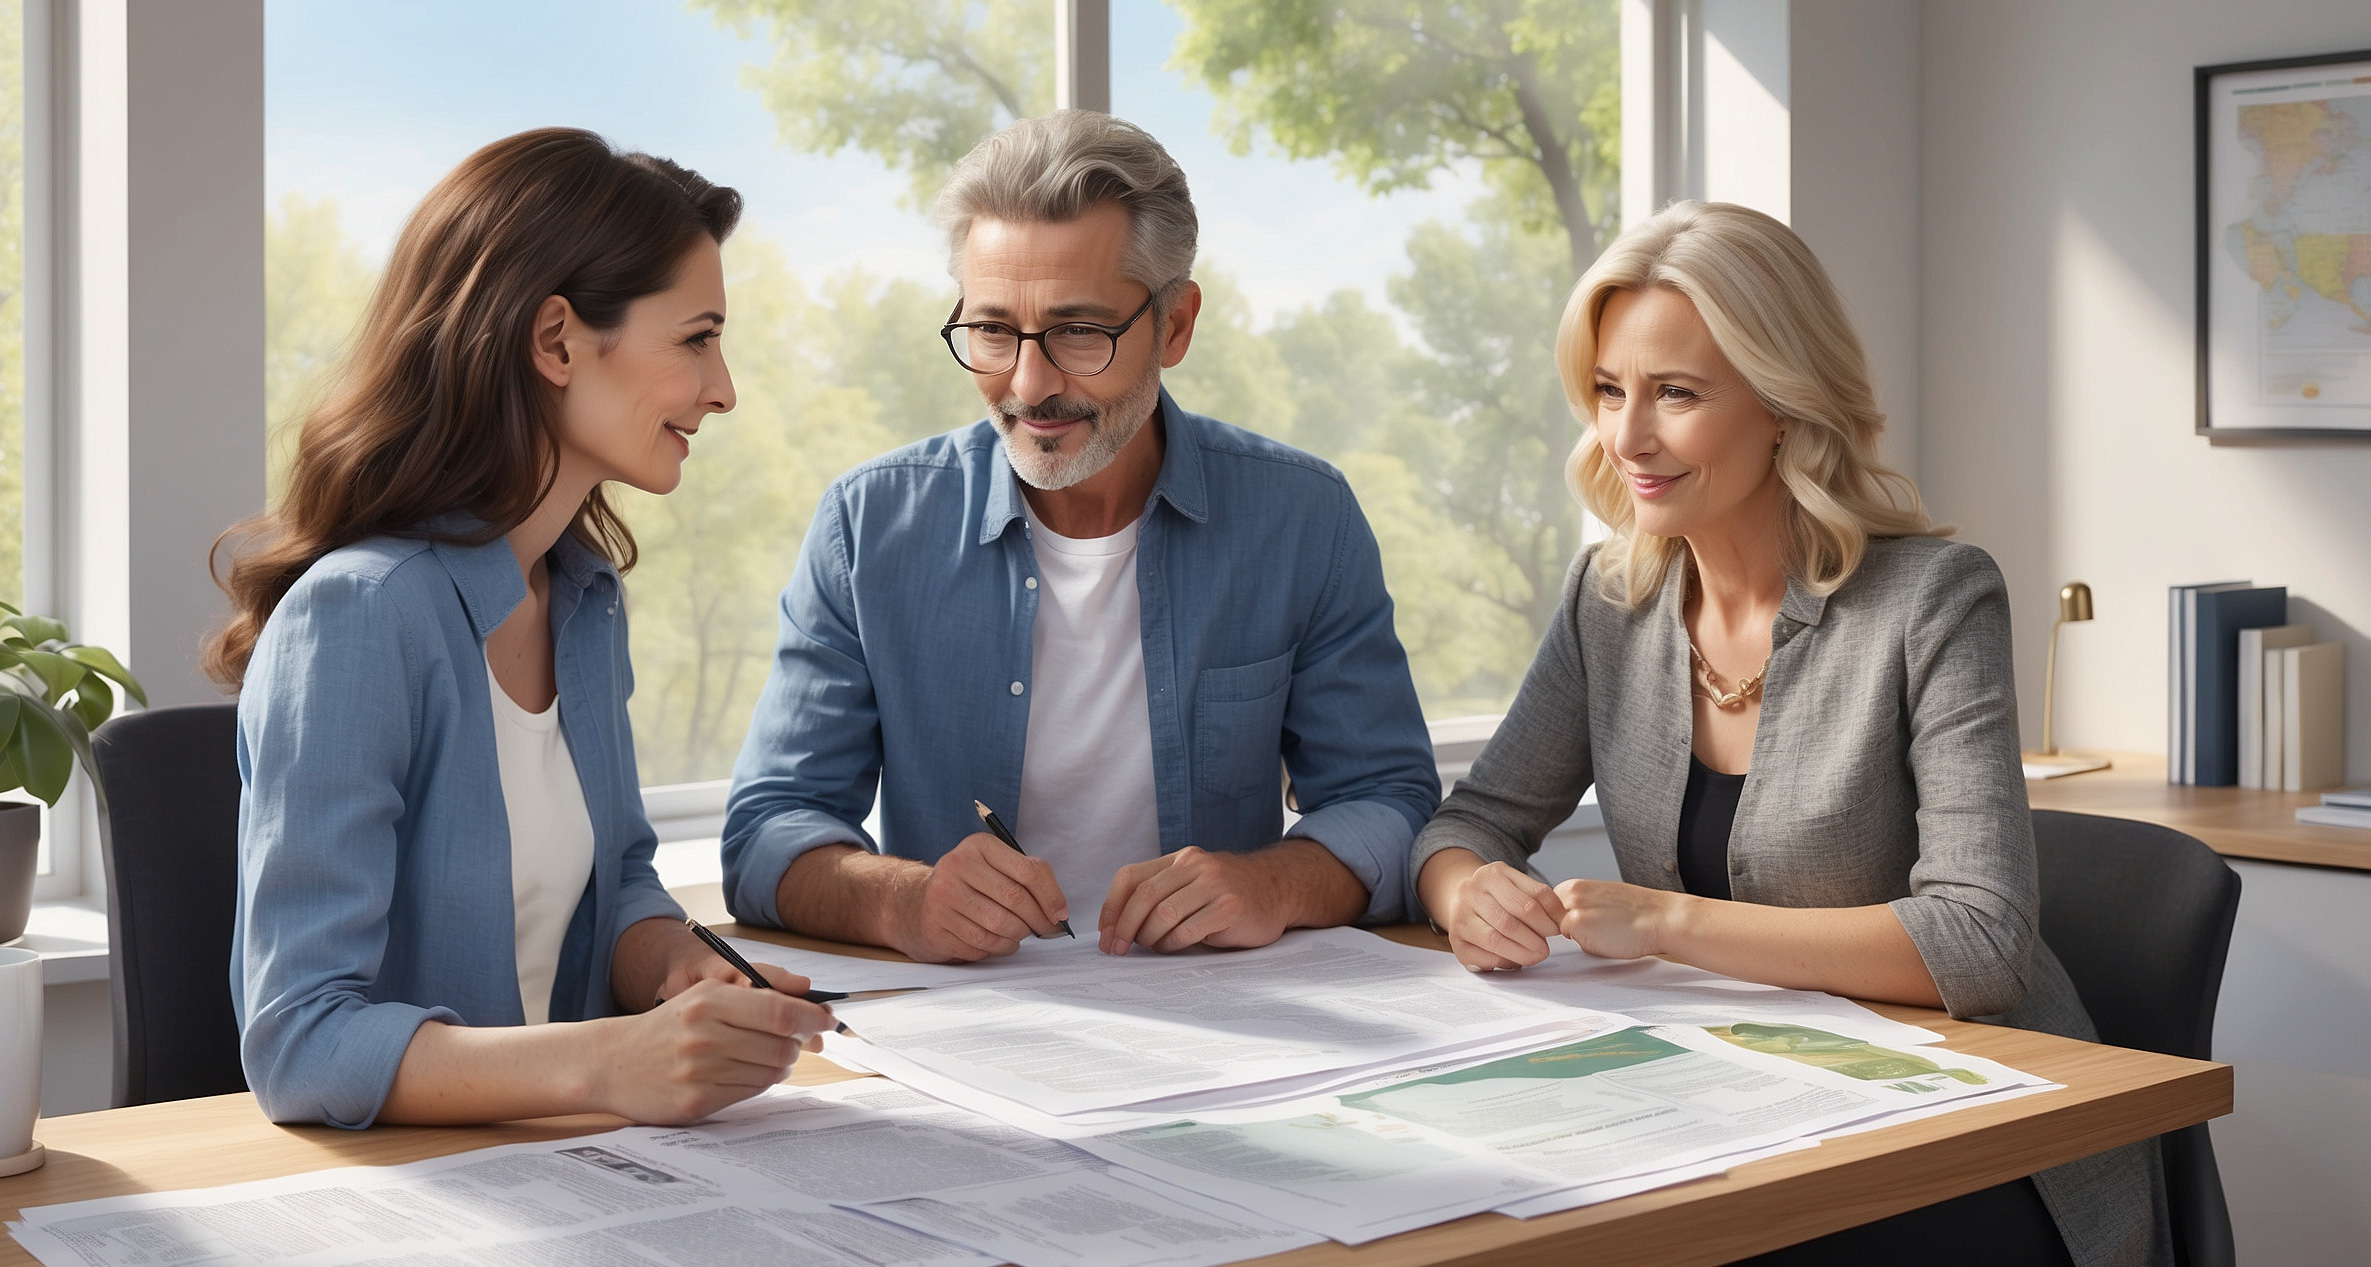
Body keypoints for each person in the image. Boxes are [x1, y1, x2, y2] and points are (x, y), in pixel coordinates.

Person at [1408, 201, 2166, 1267]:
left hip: (1970, 1134)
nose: (1627, 437)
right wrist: (1465, 893)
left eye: (1675, 393)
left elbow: (1980, 941)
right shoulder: (1609, 601)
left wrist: (1665, 920)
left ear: (1781, 402)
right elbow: (1470, 823)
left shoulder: (1933, 600)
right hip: (1738, 1102)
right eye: (1610, 390)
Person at [212, 129, 835, 1129]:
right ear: (556, 341)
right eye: (696, 339)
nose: (723, 388)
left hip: (568, 1164)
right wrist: (609, 1063)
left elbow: (617, 881)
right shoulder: (359, 615)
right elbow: (300, 1040)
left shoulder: (584, 599)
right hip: (422, 1187)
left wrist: (681, 963)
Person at [723, 110, 1438, 963]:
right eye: (993, 330)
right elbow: (767, 829)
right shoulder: (866, 526)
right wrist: (902, 901)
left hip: (1230, 1004)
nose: (1029, 384)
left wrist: (1271, 884)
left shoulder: (1301, 518)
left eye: (1077, 332)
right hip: (968, 1015)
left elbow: (1390, 802)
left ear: (1175, 324)